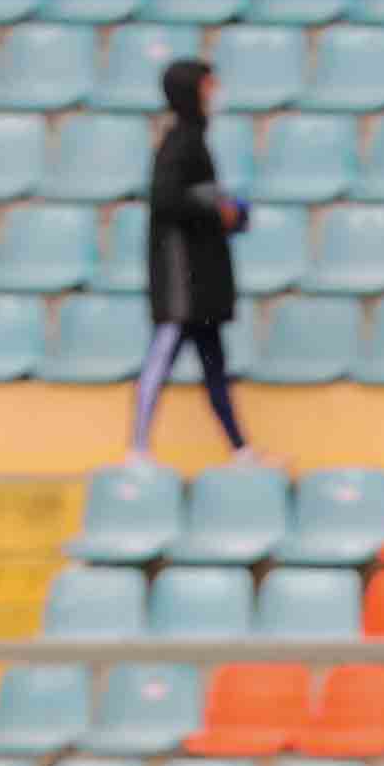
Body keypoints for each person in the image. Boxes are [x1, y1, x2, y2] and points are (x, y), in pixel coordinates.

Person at [134, 59, 263, 466]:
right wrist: (216, 210)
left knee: (215, 367)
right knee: (162, 355)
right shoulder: (180, 143)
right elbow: (168, 199)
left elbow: (201, 199)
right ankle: (136, 448)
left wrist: (229, 213)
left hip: (202, 282)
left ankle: (240, 448)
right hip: (182, 284)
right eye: (210, 84)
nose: (215, 92)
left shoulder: (194, 140)